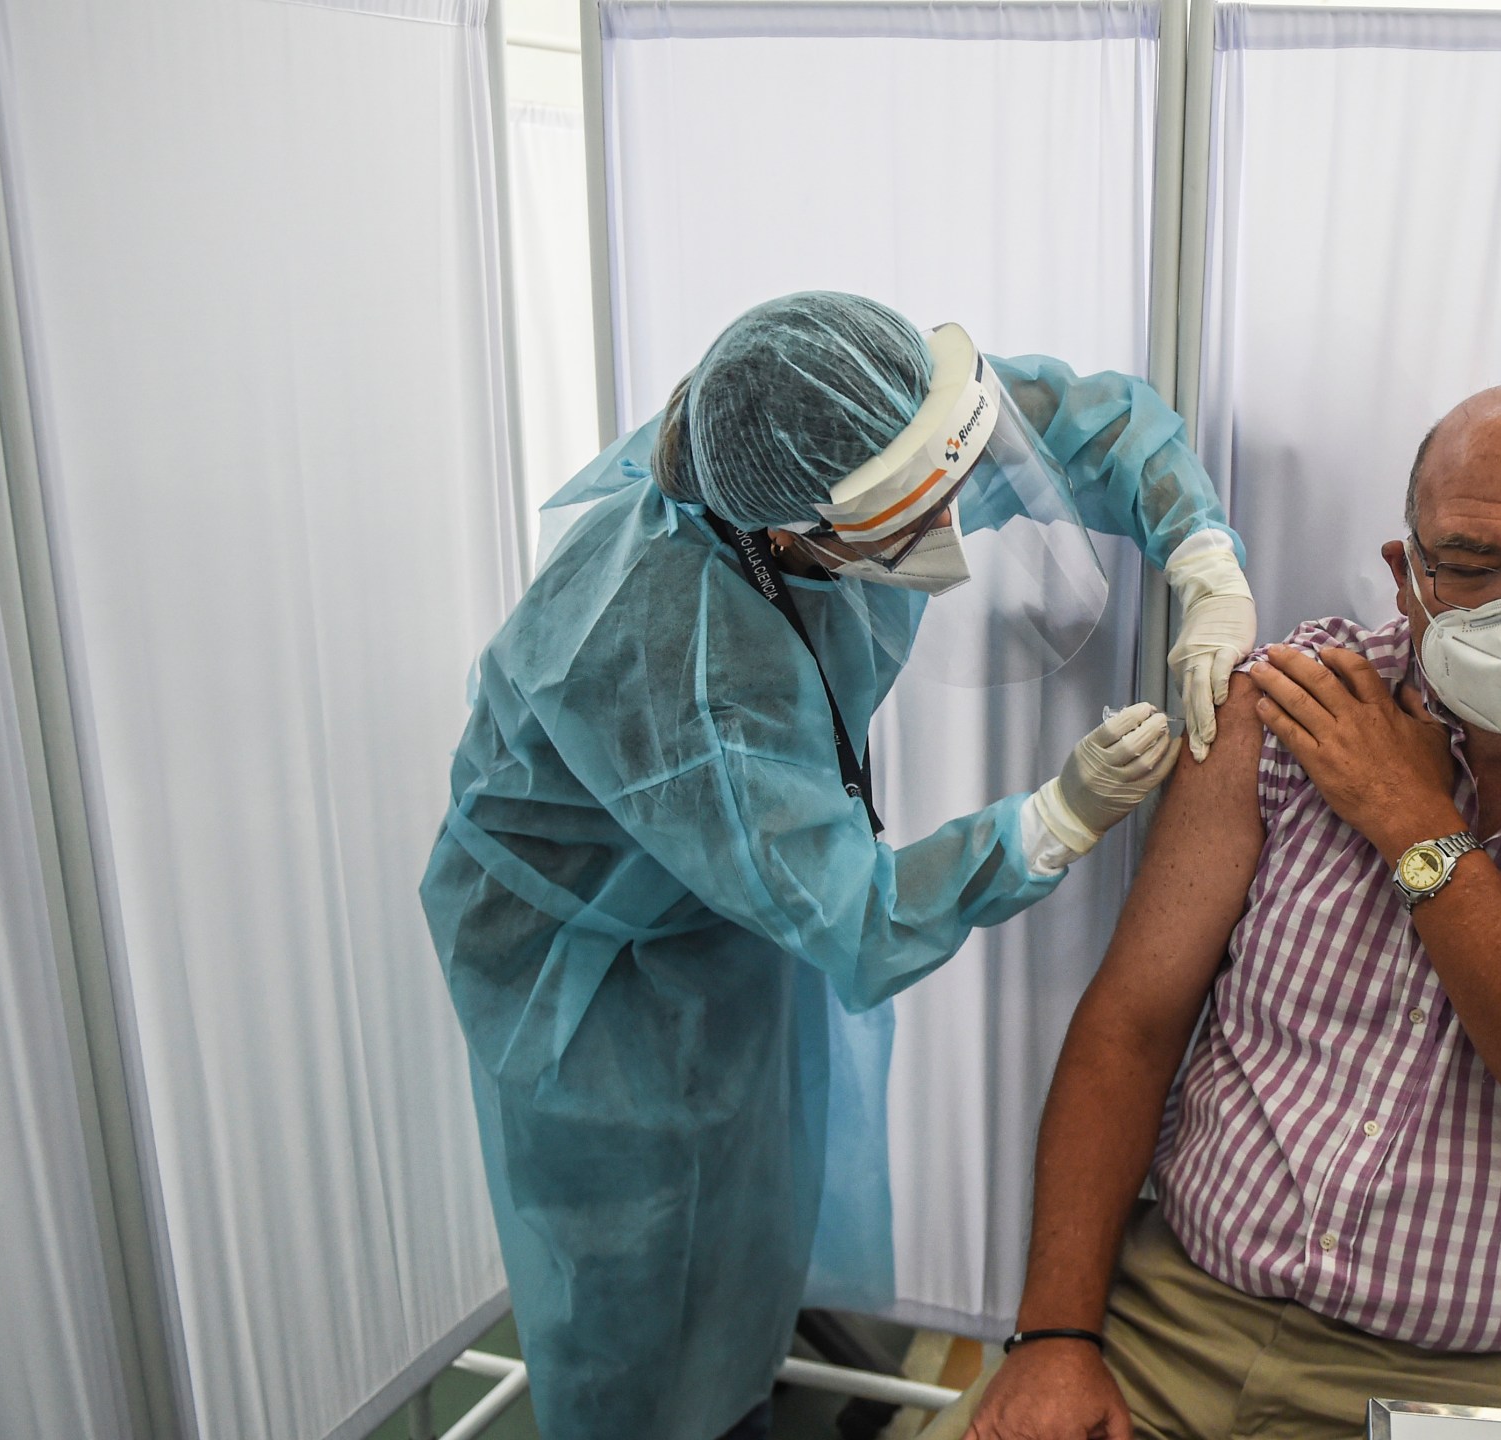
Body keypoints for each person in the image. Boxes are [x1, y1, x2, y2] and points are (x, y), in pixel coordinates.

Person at [420, 292, 1257, 1440]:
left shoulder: (865, 416)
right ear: (789, 534)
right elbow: (851, 920)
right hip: (589, 963)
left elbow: (1087, 425)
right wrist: (1053, 820)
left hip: (727, 891)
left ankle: (740, 1391)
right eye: (911, 520)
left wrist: (1204, 557)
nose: (956, 528)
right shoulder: (671, 652)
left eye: (951, 482)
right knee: (637, 1250)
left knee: (750, 1212)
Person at [941, 382, 1501, 1440]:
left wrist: (1412, 824)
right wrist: (1054, 1342)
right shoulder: (1290, 708)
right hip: (1177, 1326)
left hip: (1499, 1394)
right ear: (1406, 574)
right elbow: (1133, 1026)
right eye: (1470, 562)